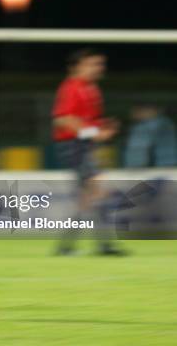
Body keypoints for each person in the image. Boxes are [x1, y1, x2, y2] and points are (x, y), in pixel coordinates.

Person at [52, 48, 126, 256]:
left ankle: (68, 247)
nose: (98, 68)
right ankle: (101, 246)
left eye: (100, 64)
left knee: (89, 196)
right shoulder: (71, 87)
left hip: (84, 145)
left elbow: (86, 120)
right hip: (74, 146)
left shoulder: (91, 89)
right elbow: (63, 119)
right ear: (76, 67)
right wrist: (95, 133)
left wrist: (104, 127)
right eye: (92, 64)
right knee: (96, 192)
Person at [124, 103, 177, 168]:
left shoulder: (143, 127)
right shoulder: (168, 124)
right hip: (170, 169)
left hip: (154, 172)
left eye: (138, 109)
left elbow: (137, 156)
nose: (133, 113)